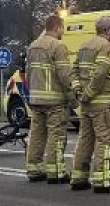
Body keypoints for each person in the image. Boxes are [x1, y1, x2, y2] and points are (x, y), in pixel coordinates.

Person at [70, 15, 110, 193]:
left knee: (85, 140)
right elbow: (100, 74)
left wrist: (79, 92)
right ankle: (103, 181)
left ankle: (78, 177)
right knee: (105, 140)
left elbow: (75, 71)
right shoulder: (105, 46)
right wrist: (89, 94)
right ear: (107, 30)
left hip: (86, 106)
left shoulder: (85, 46)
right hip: (102, 105)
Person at [23, 13, 75, 183]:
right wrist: (74, 93)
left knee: (37, 135)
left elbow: (28, 73)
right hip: (55, 101)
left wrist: (31, 95)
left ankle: (34, 169)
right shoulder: (58, 46)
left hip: (36, 99)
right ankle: (56, 172)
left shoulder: (33, 46)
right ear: (58, 27)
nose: (63, 32)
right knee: (56, 135)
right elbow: (64, 75)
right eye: (63, 29)